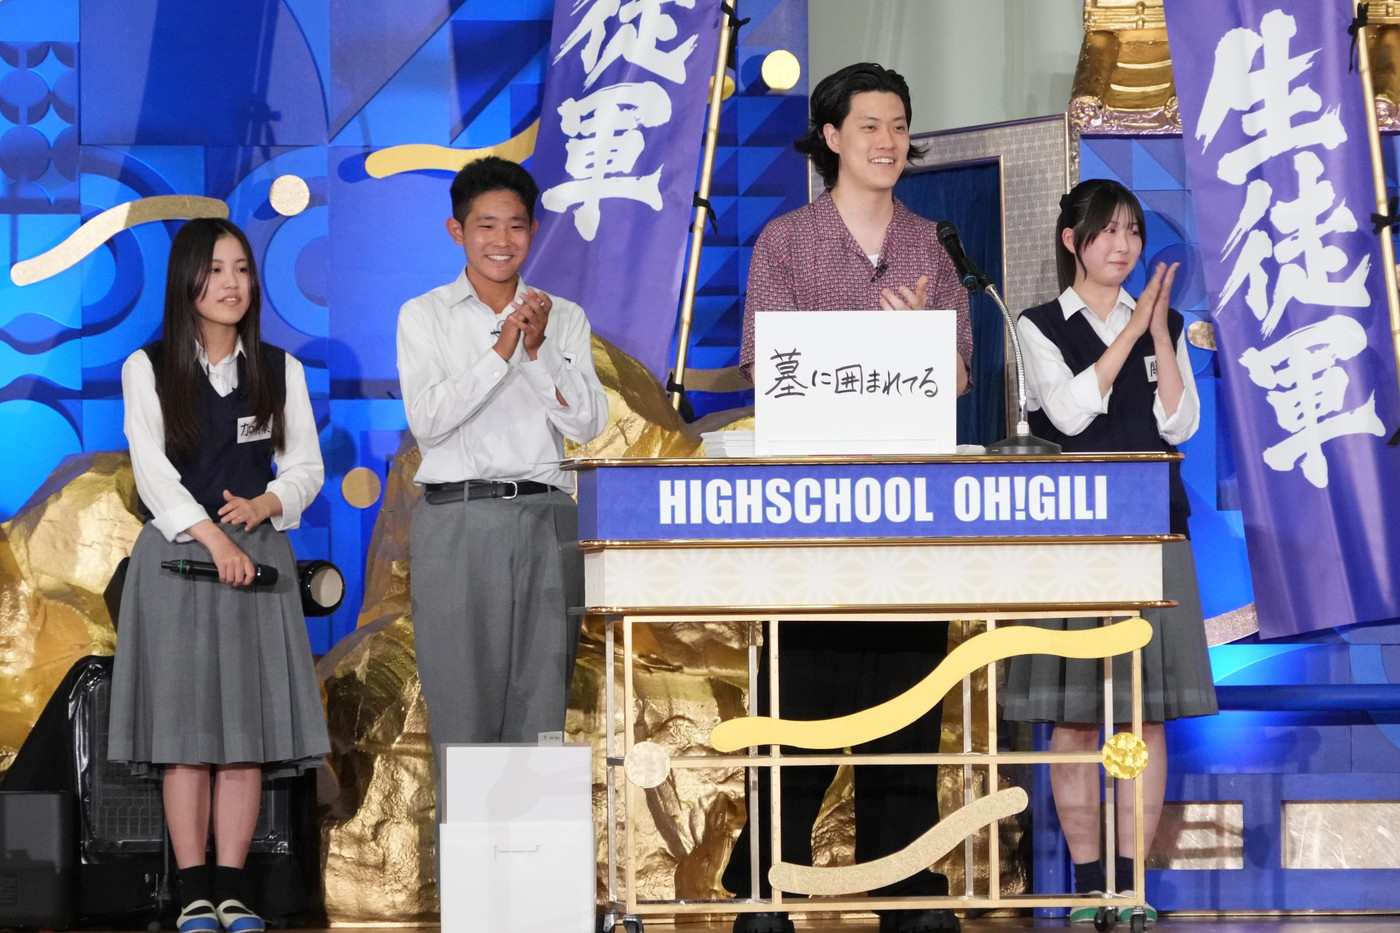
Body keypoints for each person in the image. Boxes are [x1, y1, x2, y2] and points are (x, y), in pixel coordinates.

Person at [728, 62, 972, 933]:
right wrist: (877, 344)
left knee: (909, 697)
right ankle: (767, 887)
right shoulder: (787, 242)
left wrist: (921, 345)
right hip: (815, 507)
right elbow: (767, 369)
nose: (888, 140)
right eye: (870, 125)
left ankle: (905, 887)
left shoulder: (931, 244)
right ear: (831, 136)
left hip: (907, 507)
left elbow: (956, 377)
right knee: (799, 700)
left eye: (899, 125)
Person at [1002, 178, 1218, 924]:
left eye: (1132, 231)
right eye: (1107, 231)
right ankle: (1088, 882)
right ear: (1073, 241)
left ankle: (1131, 887)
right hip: (1075, 539)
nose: (1123, 246)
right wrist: (1131, 333)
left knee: (1144, 718)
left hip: (1154, 530)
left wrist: (1158, 333)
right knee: (1076, 720)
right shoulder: (1037, 325)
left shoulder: (1167, 322)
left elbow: (1180, 425)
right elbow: (1067, 413)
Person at [108, 217, 329, 933]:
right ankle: (192, 893)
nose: (232, 284)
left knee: (244, 735)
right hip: (179, 561)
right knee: (186, 735)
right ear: (187, 282)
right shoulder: (147, 367)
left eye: (241, 269)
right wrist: (214, 538)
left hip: (257, 561)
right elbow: (153, 475)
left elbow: (306, 468)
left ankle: (232, 891)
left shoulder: (279, 368)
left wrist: (269, 503)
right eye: (215, 270)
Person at [395, 157, 608, 772]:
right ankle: (469, 839)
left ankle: (533, 837)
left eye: (516, 225)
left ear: (533, 231)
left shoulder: (563, 317)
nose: (502, 240)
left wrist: (537, 351)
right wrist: (502, 351)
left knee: (541, 708)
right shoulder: (424, 315)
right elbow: (429, 421)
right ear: (457, 231)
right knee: (461, 711)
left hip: (547, 517)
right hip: (458, 519)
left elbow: (587, 424)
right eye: (486, 225)